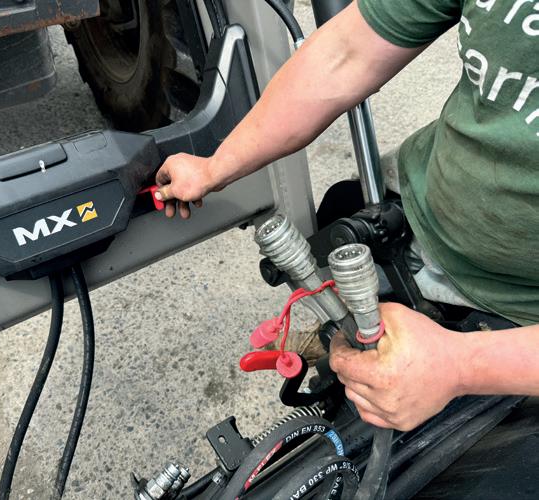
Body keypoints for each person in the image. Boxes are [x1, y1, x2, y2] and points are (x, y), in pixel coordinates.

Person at [153, 0, 539, 431]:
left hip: (518, 312)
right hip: (423, 202)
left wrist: (461, 365)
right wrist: (215, 166)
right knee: (339, 209)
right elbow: (345, 55)